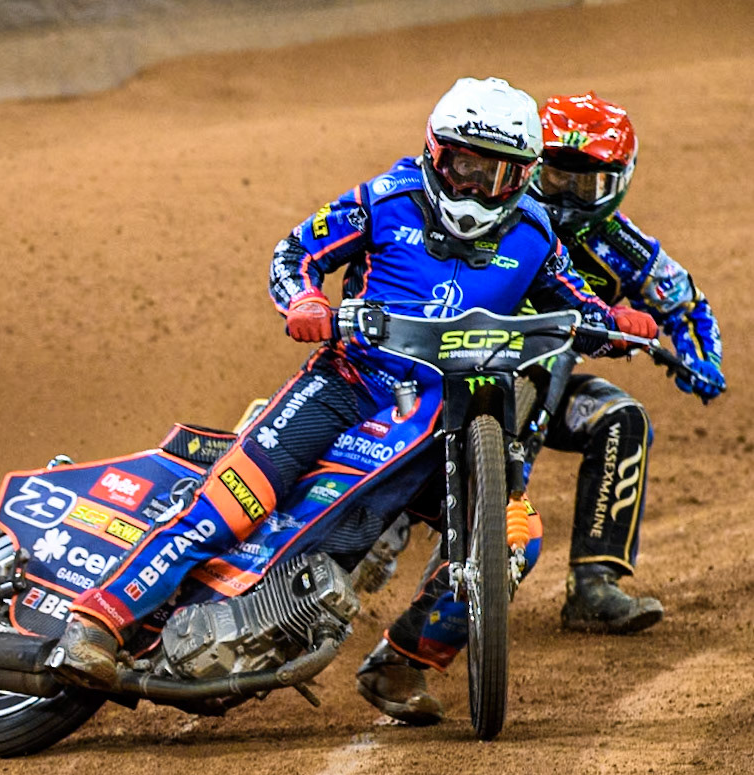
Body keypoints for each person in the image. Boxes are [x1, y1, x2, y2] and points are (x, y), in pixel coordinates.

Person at [54, 77, 655, 687]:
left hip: (448, 411)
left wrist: (617, 325)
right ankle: (97, 622)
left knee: (511, 544)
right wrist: (304, 302)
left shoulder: (534, 232)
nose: (473, 186)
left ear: (523, 177)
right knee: (229, 506)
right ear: (435, 152)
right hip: (348, 383)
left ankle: (402, 663)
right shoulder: (385, 199)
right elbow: (295, 253)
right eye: (462, 164)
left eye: (494, 173)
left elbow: (576, 303)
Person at [356, 91, 724, 725]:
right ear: (528, 166)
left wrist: (701, 358)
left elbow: (686, 303)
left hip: (544, 385)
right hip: (444, 372)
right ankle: (375, 532)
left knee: (620, 417)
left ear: (620, 182)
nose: (573, 195)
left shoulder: (623, 246)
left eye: (591, 183)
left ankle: (594, 584)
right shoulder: (499, 214)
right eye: (559, 176)